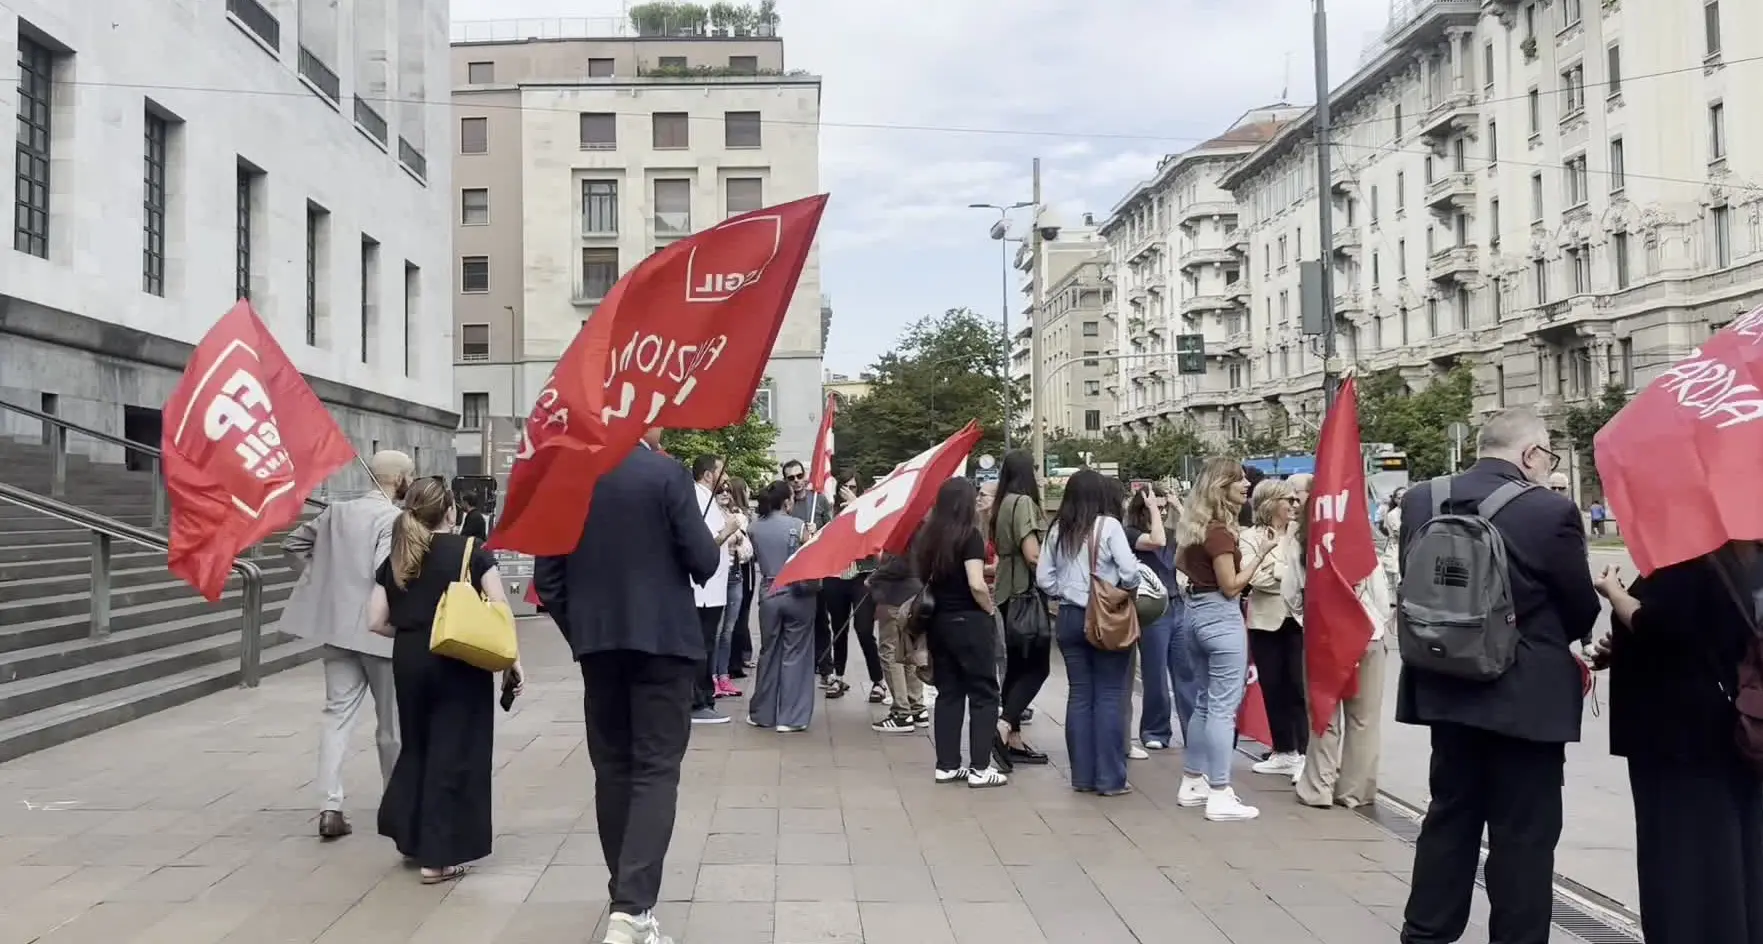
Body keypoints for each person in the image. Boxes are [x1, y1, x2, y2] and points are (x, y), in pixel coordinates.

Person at [1396, 408, 1602, 944]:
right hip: (1524, 698)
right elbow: (1579, 609)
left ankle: (1425, 934)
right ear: (1531, 454)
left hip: (1444, 681)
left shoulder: (1424, 498)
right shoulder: (1549, 510)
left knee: (1448, 817)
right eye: (1548, 456)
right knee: (1523, 835)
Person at [532, 427, 722, 944]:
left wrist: (586, 632)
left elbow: (547, 579)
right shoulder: (666, 473)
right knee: (656, 769)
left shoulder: (565, 476)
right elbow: (704, 562)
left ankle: (626, 897)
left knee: (612, 768)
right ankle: (632, 908)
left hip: (600, 648)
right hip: (664, 643)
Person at [1589, 559, 1763, 944]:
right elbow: (1706, 632)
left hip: (1683, 736)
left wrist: (1614, 592)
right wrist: (1622, 640)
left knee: (1684, 863)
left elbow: (1662, 626)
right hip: (1736, 725)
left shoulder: (1689, 560)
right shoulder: (1747, 558)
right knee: (1735, 856)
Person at [367, 477, 520, 884]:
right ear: (450, 511)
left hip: (411, 658)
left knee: (418, 745)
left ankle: (412, 837)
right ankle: (439, 857)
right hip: (459, 660)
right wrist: (511, 663)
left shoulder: (398, 557)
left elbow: (375, 621)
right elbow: (499, 611)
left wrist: (414, 632)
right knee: (455, 752)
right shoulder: (472, 552)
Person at [280, 449, 413, 841]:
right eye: (409, 475)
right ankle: (395, 804)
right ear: (398, 479)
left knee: (335, 716)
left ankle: (329, 806)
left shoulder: (335, 512)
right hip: (378, 631)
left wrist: (322, 583)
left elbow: (292, 545)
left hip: (337, 628)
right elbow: (385, 573)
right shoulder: (393, 519)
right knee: (390, 725)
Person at [1175, 457, 1275, 822]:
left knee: (1204, 702)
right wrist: (1260, 555)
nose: (1246, 485)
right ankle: (1219, 791)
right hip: (1220, 618)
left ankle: (1193, 781)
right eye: (1239, 480)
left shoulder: (1195, 530)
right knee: (1221, 708)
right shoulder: (1218, 533)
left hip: (1195, 616)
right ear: (1222, 487)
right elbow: (1231, 587)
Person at [1287, 491, 1393, 809]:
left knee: (1323, 714)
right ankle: (1355, 790)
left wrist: (1308, 621)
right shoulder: (1358, 544)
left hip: (1322, 639)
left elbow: (1291, 594)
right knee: (1363, 719)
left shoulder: (1303, 545)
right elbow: (1381, 597)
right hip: (1365, 637)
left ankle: (1318, 787)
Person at [1037, 469, 1140, 796]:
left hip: (1069, 617)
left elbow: (1043, 578)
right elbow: (1131, 572)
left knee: (1080, 695)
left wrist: (1065, 591)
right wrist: (1116, 591)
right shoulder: (1108, 526)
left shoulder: (1058, 529)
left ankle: (1082, 776)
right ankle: (1110, 779)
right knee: (1109, 695)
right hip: (1105, 617)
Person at [914, 477, 1006, 787]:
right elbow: (977, 582)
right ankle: (980, 767)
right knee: (984, 693)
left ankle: (947, 765)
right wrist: (989, 609)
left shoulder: (930, 538)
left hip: (939, 622)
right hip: (970, 621)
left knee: (949, 693)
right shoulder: (970, 537)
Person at [1240, 478, 1307, 778]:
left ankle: (1306, 752)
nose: (1294, 505)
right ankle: (1283, 750)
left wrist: (1277, 571)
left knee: (1299, 686)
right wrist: (1287, 573)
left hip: (1299, 620)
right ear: (1269, 504)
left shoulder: (1301, 535)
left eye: (1295, 500)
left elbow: (1306, 576)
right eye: (1287, 500)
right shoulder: (1250, 537)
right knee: (1273, 686)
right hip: (1265, 621)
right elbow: (1254, 578)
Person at [991, 450, 1048, 766]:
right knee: (1037, 667)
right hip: (1023, 593)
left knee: (1015, 667)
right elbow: (1033, 555)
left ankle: (1012, 738)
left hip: (1004, 592)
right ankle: (1002, 726)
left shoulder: (1002, 504)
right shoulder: (1023, 503)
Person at [747, 481, 819, 732]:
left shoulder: (754, 527)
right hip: (797, 593)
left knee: (769, 652)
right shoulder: (798, 526)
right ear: (787, 501)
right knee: (795, 653)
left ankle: (762, 713)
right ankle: (791, 717)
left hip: (769, 591)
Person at [689, 455, 744, 725]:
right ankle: (699, 701)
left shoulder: (707, 499)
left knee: (707, 642)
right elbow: (706, 542)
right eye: (721, 471)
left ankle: (703, 698)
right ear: (709, 475)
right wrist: (729, 529)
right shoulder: (700, 499)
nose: (725, 478)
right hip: (704, 589)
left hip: (714, 586)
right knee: (703, 645)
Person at [822, 475, 885, 701]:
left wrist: (858, 506)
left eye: (852, 488)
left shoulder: (868, 511)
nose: (847, 492)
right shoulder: (829, 511)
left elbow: (875, 538)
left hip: (861, 577)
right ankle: (838, 676)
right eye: (844, 488)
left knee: (864, 629)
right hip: (837, 576)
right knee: (838, 629)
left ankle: (878, 681)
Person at [781, 458, 836, 693]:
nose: (796, 481)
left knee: (821, 621)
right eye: (791, 478)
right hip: (793, 570)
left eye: (799, 476)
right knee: (797, 623)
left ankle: (826, 668)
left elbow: (832, 532)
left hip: (816, 571)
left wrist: (819, 533)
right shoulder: (786, 504)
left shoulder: (819, 501)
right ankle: (800, 668)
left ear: (806, 476)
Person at [868, 546, 928, 734]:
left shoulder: (904, 532)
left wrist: (874, 576)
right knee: (908, 651)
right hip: (914, 595)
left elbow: (900, 564)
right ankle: (916, 706)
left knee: (891, 652)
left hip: (896, 598)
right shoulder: (922, 528)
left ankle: (902, 712)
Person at [713, 477, 753, 698]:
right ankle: (711, 678)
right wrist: (730, 536)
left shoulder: (736, 516)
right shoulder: (710, 514)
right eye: (720, 491)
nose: (725, 494)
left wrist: (733, 535)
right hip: (718, 576)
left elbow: (745, 548)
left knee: (728, 631)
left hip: (736, 575)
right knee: (717, 632)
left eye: (727, 491)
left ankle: (724, 675)